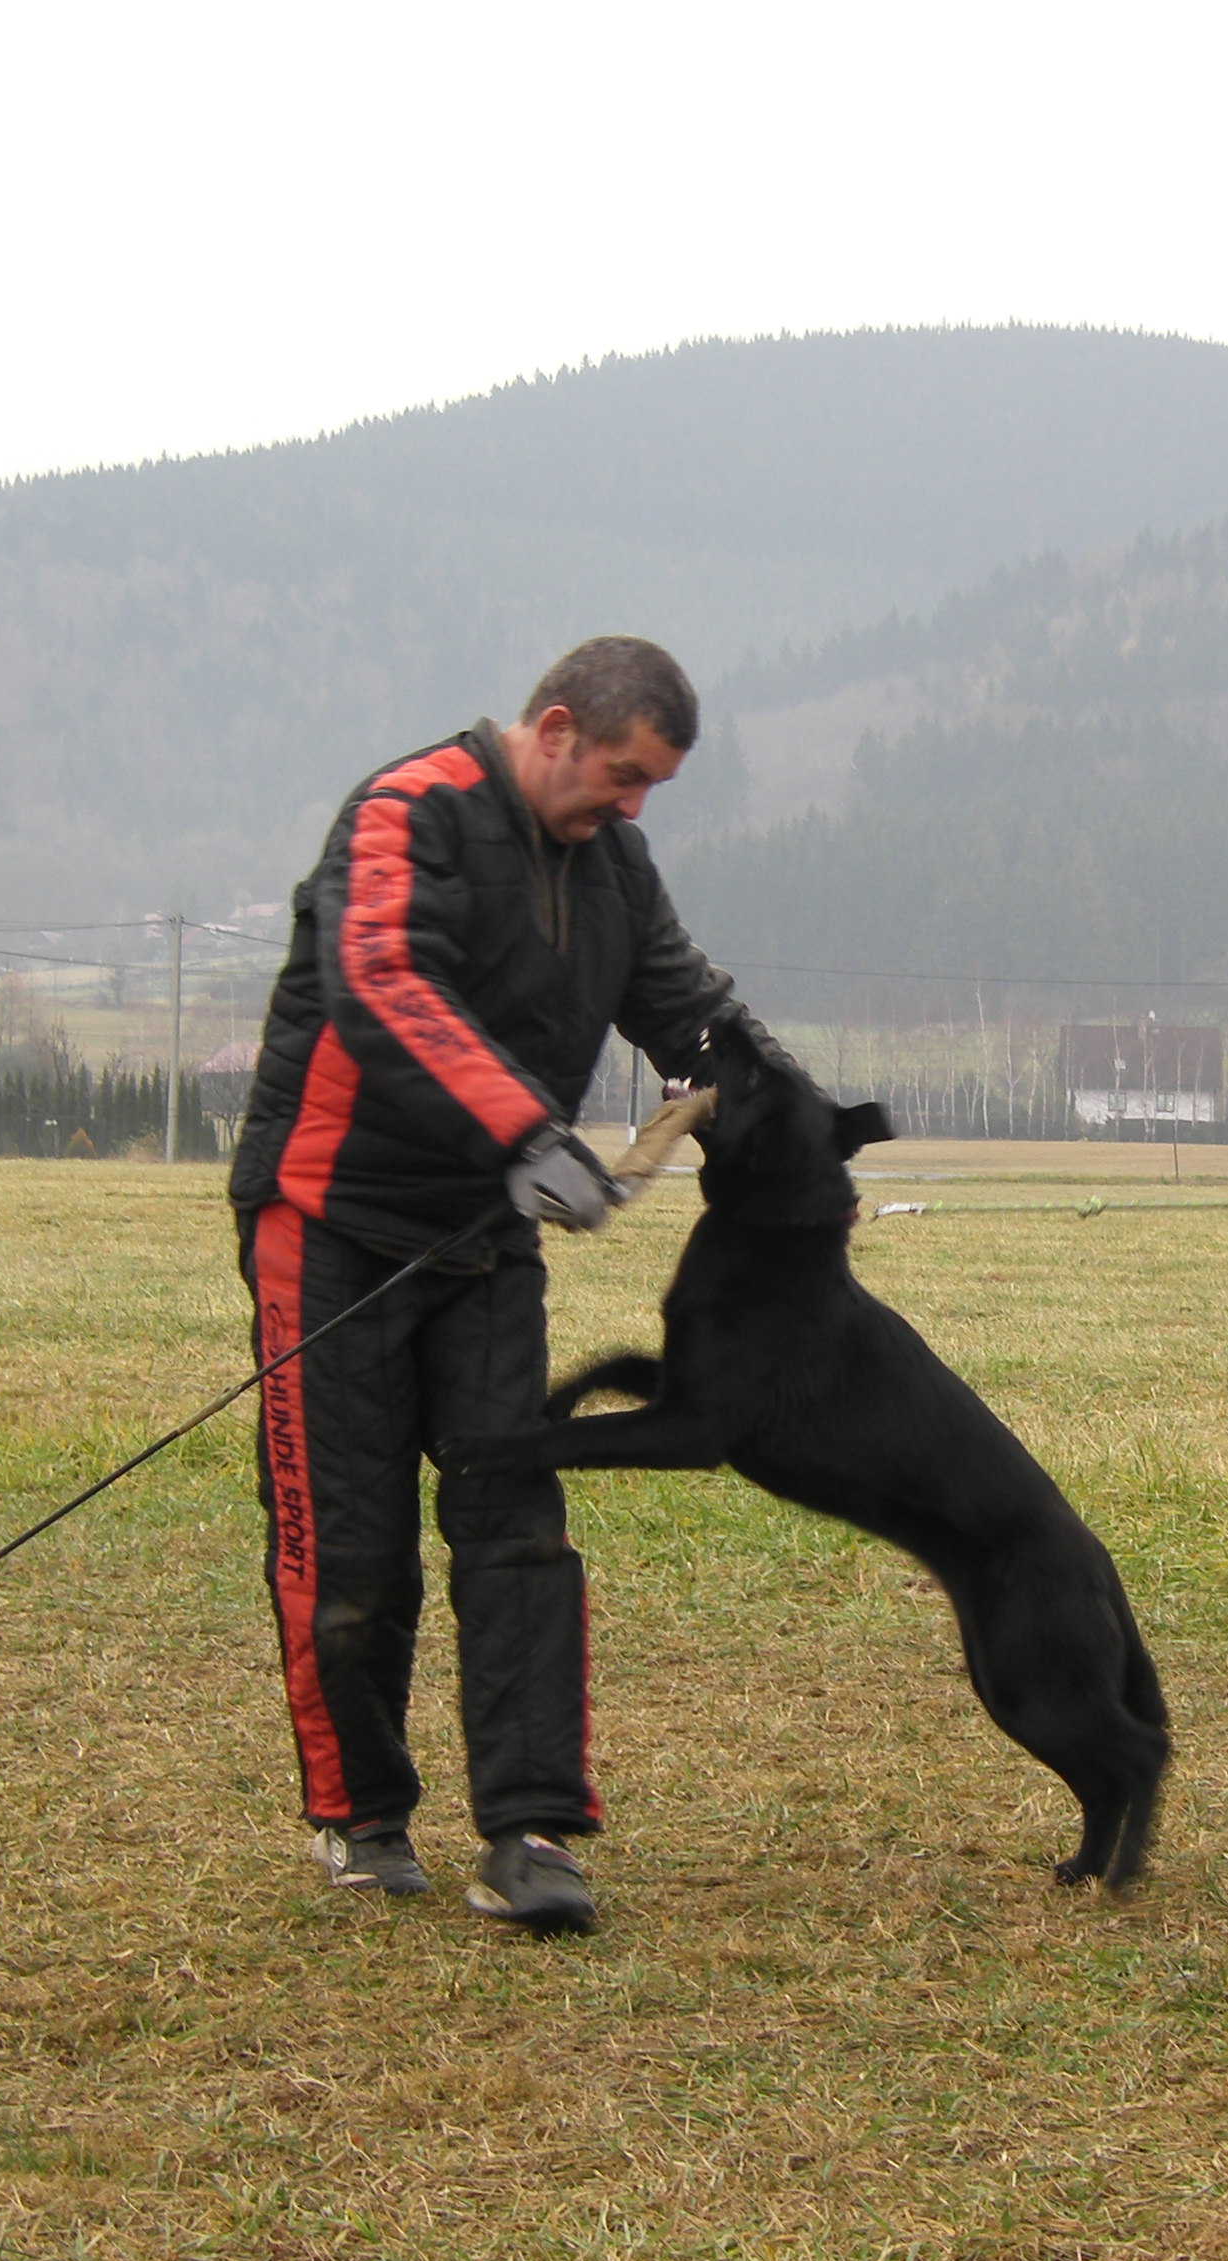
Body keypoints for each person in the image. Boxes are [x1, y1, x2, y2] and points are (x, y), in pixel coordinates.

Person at [227, 635, 797, 1934]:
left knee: (518, 1526)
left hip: (489, 1235)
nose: (634, 806)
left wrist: (791, 1115)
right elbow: (386, 985)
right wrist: (525, 1135)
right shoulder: (404, 811)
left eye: (654, 787)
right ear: (552, 729)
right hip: (330, 1224)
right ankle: (363, 1816)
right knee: (351, 1543)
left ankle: (530, 1831)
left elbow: (686, 1006)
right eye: (621, 774)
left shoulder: (617, 868)